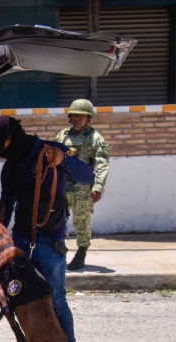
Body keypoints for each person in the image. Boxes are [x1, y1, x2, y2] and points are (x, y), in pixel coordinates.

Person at [0, 116, 95, 342]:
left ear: (14, 135)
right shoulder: (10, 167)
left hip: (49, 242)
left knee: (56, 301)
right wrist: (0, 237)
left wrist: (64, 160)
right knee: (25, 301)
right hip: (21, 243)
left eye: (2, 145)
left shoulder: (50, 152)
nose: (2, 153)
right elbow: (8, 203)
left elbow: (87, 176)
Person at [55, 99, 110, 270]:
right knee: (57, 220)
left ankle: (81, 253)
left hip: (82, 187)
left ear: (88, 117)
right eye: (74, 115)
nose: (77, 118)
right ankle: (58, 252)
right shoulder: (62, 135)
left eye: (81, 115)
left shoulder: (95, 138)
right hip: (62, 186)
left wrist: (98, 187)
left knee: (81, 220)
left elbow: (102, 163)